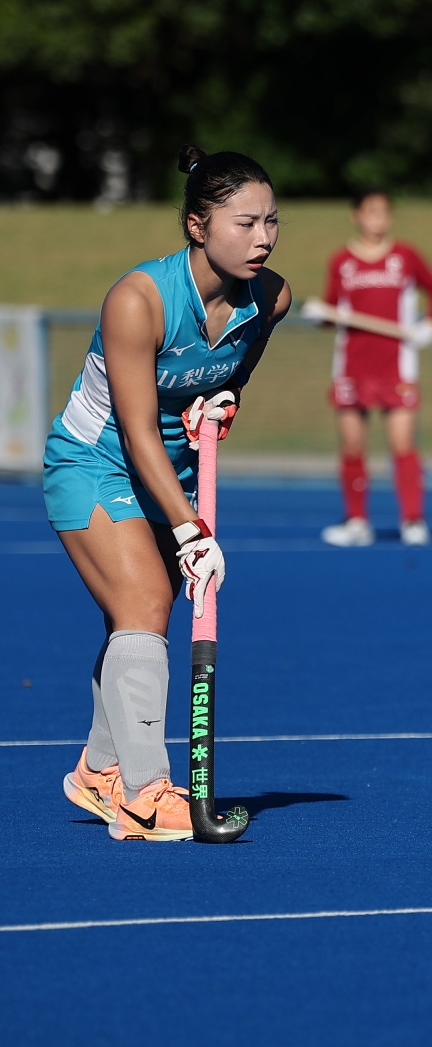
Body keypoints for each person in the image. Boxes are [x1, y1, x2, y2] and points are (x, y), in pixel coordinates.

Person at [48, 147, 290, 841]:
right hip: (97, 461)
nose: (264, 238)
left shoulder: (271, 298)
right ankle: (145, 794)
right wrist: (191, 531)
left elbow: (230, 377)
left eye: (272, 222)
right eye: (245, 223)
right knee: (146, 601)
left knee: (135, 618)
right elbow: (135, 429)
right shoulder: (139, 300)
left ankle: (99, 769)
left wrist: (227, 400)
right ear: (196, 225)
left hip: (171, 469)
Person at [317, 189, 432, 547]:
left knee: (403, 443)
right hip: (352, 366)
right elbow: (332, 311)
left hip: (397, 366)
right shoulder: (342, 261)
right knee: (352, 445)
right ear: (356, 215)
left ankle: (413, 520)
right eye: (371, 211)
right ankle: (357, 521)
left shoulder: (405, 257)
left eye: (385, 211)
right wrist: (321, 316)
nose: (379, 218)